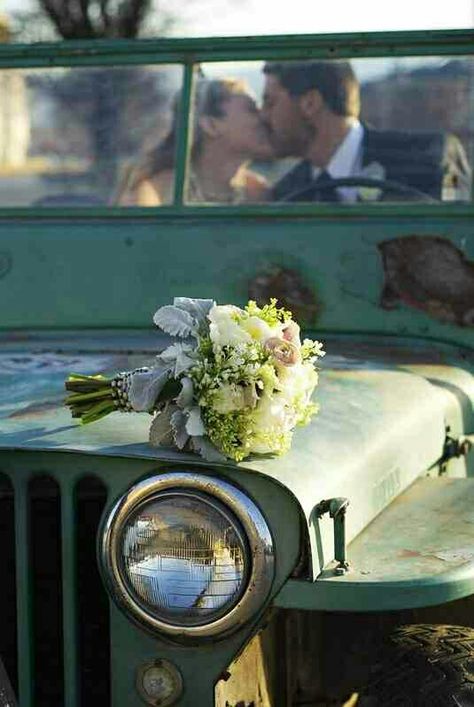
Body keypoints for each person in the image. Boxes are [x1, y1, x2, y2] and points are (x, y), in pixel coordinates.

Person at [261, 60, 471, 202]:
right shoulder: (288, 193)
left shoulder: (427, 158)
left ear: (310, 103)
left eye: (270, 103)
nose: (263, 116)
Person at [116, 78, 273, 205]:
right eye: (252, 110)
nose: (264, 118)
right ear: (211, 125)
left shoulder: (258, 191)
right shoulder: (157, 190)